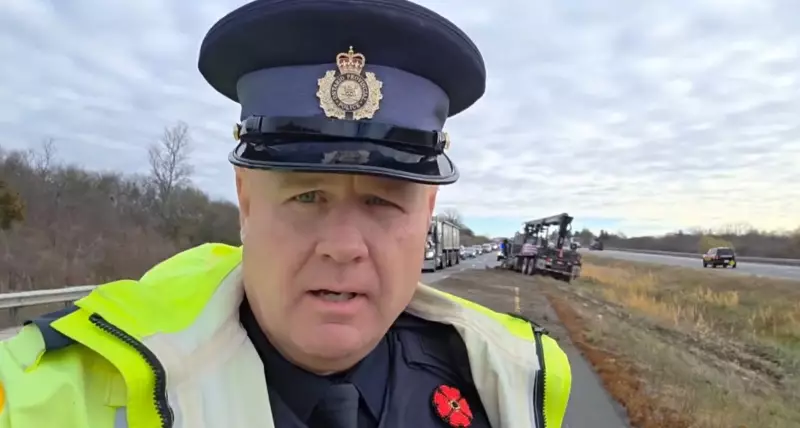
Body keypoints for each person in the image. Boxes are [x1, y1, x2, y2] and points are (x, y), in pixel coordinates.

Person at [0, 0, 572, 427]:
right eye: (306, 196)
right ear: (246, 201)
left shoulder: (507, 382)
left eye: (382, 200)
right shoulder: (57, 394)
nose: (342, 246)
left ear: (427, 214)